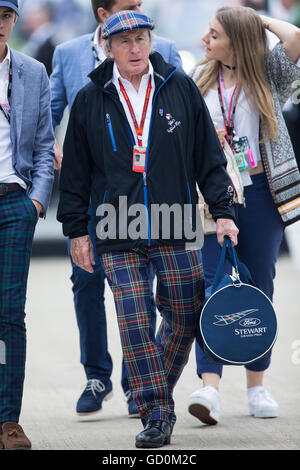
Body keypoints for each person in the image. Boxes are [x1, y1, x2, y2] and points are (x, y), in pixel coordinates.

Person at [57, 9, 239, 449]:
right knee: (134, 319)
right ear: (108, 48)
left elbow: (207, 157)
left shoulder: (179, 87)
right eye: (124, 42)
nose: (135, 48)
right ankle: (158, 410)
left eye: (141, 39)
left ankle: (150, 383)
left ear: (150, 41)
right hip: (115, 226)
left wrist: (224, 210)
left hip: (174, 220)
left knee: (185, 312)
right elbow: (77, 173)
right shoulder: (89, 98)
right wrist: (76, 231)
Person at [50, 0, 184, 420]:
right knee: (87, 280)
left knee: (141, 294)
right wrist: (56, 146)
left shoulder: (163, 48)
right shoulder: (69, 54)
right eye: (127, 7)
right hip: (95, 191)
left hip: (151, 198)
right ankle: (97, 375)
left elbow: (181, 115)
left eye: (140, 8)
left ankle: (137, 382)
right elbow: (54, 110)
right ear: (103, 14)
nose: (136, 13)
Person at [187, 5, 300, 426]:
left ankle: (257, 386)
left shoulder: (269, 78)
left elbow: (295, 38)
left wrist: (257, 20)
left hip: (261, 196)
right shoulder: (197, 82)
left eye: (214, 34)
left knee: (260, 286)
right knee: (212, 286)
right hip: (211, 199)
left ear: (236, 38)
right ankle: (209, 388)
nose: (205, 40)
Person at [0, 0, 54, 450]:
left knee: (9, 315)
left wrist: (36, 199)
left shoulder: (32, 71)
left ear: (14, 20)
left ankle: (8, 420)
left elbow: (43, 144)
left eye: (3, 15)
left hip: (15, 203)